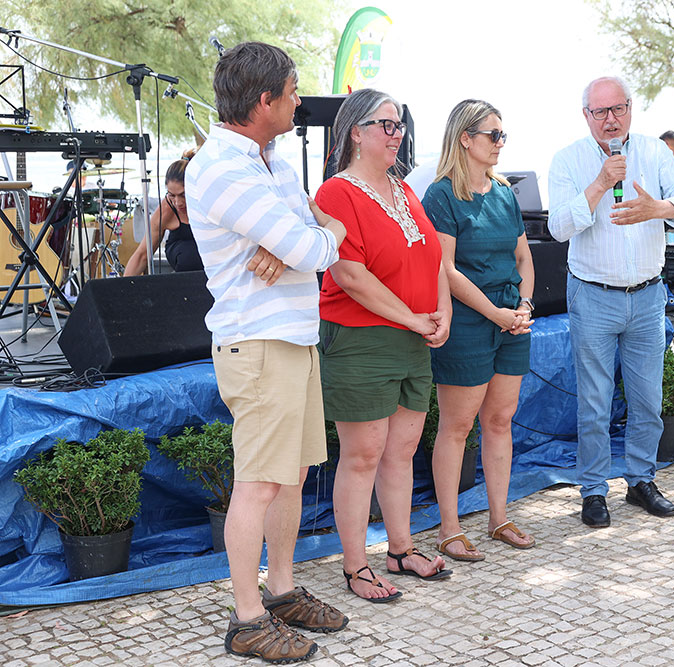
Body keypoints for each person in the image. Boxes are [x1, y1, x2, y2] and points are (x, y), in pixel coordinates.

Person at [185, 42, 348, 664]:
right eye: (293, 91)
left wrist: (301, 239)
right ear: (264, 101)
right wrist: (303, 242)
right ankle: (247, 620)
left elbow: (322, 225)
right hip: (257, 343)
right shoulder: (223, 169)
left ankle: (280, 592)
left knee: (293, 475)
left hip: (292, 339)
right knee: (257, 484)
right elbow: (317, 246)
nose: (300, 101)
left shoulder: (270, 159)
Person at [314, 88, 452, 603]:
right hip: (362, 341)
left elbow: (435, 255)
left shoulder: (403, 189)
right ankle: (355, 566)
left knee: (402, 450)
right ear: (356, 131)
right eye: (387, 125)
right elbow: (350, 276)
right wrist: (416, 320)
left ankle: (400, 549)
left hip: (412, 337)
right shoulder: (336, 193)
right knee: (362, 454)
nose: (398, 135)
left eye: (401, 127)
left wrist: (442, 312)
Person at [548, 76, 674, 528]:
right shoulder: (568, 160)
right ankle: (594, 490)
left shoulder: (654, 152)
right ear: (586, 116)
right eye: (601, 112)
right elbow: (558, 227)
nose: (611, 119)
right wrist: (599, 183)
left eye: (619, 109)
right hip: (593, 296)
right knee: (594, 403)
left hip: (648, 297)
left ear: (631, 109)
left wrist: (660, 209)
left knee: (647, 399)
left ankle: (640, 480)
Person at [421, 99, 536, 561]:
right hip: (470, 323)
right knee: (457, 426)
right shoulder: (441, 195)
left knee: (499, 421)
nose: (500, 144)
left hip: (512, 320)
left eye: (503, 135)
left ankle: (498, 518)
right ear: (465, 138)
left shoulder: (506, 192)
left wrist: (523, 305)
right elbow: (444, 269)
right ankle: (448, 529)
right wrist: (495, 312)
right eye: (493, 135)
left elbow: (524, 258)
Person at [123, 149, 204, 276]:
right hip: (181, 250)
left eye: (183, 195)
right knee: (190, 256)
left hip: (206, 246)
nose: (178, 203)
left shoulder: (208, 202)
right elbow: (142, 254)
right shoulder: (166, 209)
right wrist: (123, 288)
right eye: (172, 195)